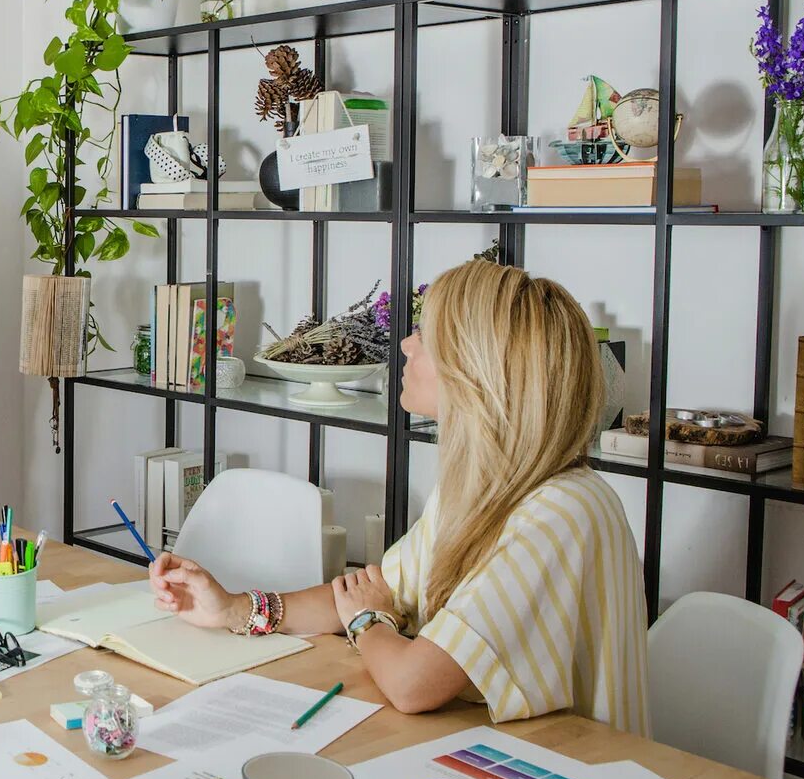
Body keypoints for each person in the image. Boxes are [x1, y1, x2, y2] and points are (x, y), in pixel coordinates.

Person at [149, 259, 650, 735]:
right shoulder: (479, 492)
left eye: (427, 337)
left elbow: (412, 682)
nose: (407, 345)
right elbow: (357, 594)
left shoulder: (561, 511)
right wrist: (234, 610)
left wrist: (370, 622)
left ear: (478, 374)